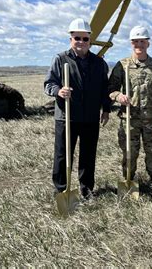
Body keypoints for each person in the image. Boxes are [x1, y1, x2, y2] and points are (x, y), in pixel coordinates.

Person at [44, 18, 110, 200]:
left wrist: (106, 109)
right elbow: (49, 83)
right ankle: (61, 190)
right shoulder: (60, 59)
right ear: (70, 39)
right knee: (62, 155)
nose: (81, 42)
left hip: (90, 117)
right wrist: (59, 90)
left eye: (85, 38)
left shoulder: (99, 63)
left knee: (88, 155)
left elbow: (105, 88)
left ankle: (86, 188)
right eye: (77, 38)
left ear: (90, 40)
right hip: (66, 116)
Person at [108, 26, 152, 186]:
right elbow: (111, 89)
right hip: (130, 119)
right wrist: (118, 96)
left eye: (142, 41)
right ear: (131, 43)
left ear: (148, 43)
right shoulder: (122, 65)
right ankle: (128, 180)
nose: (139, 45)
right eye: (136, 41)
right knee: (129, 153)